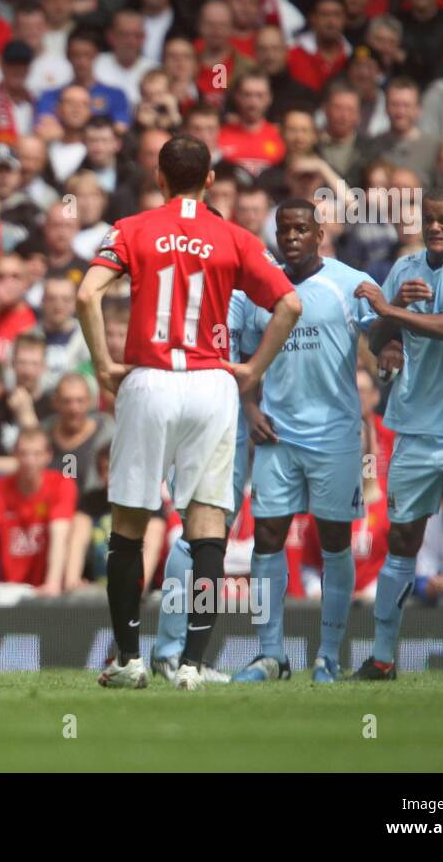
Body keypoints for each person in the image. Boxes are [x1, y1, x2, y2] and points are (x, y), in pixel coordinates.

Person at [75, 134, 300, 690]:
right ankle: (194, 665)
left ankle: (129, 659)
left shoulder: (131, 229)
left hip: (148, 381)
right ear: (208, 182)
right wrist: (253, 370)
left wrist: (103, 364)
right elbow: (290, 304)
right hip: (211, 384)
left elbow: (85, 296)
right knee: (206, 527)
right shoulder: (235, 236)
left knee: (129, 525)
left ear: (158, 178)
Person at [353, 186, 443, 681]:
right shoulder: (404, 269)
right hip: (414, 425)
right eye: (429, 220)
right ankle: (382, 657)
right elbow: (377, 340)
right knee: (402, 538)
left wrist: (391, 311)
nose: (436, 227)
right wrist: (390, 312)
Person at [232, 199, 377, 684]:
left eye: (300, 229)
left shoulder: (348, 283)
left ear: (319, 234)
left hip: (334, 435)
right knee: (268, 537)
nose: (291, 237)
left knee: (335, 541)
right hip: (277, 434)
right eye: (283, 230)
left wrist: (390, 349)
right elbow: (247, 357)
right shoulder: (259, 286)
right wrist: (250, 409)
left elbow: (382, 340)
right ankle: (270, 653)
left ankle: (328, 656)